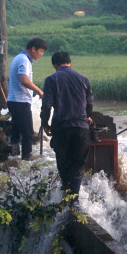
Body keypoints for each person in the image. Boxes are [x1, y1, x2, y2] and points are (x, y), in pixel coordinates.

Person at [40, 52, 93, 205]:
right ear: (70, 63)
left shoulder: (51, 79)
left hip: (62, 128)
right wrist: (88, 116)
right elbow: (90, 103)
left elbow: (46, 106)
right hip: (81, 127)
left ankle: (65, 192)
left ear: (55, 65)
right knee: (78, 164)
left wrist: (45, 124)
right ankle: (74, 201)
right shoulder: (84, 78)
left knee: (63, 161)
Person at [7, 38, 47, 160]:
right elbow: (24, 80)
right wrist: (39, 91)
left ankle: (13, 159)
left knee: (16, 132)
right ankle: (26, 158)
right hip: (20, 101)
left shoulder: (19, 58)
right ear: (33, 49)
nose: (41, 55)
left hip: (14, 100)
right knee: (28, 133)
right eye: (40, 51)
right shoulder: (24, 60)